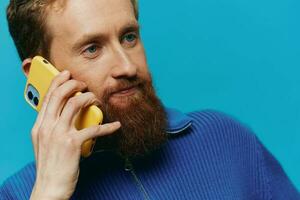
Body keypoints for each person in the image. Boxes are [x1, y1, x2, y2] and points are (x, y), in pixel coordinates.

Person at [0, 0, 299, 199]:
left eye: (129, 37)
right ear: (41, 76)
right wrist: (49, 192)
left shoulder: (227, 139)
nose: (127, 66)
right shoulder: (19, 193)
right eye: (92, 48)